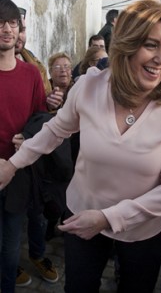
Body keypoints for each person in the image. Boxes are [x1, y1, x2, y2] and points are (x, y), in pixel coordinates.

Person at [0, 0, 161, 293]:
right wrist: (13, 164)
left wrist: (108, 218)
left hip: (141, 232)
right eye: (150, 45)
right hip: (82, 217)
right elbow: (55, 130)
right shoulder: (90, 86)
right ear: (127, 45)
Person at [15, 52, 75, 287]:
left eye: (17, 25)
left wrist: (49, 104)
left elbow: (39, 112)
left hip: (39, 162)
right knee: (14, 219)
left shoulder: (32, 67)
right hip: (13, 154)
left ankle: (37, 255)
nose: (64, 71)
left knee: (36, 213)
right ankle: (10, 263)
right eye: (58, 67)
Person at [0, 0, 47, 293]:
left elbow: (40, 120)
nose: (6, 29)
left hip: (18, 175)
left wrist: (28, 137)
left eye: (12, 23)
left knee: (10, 246)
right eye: (0, 22)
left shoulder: (31, 74)